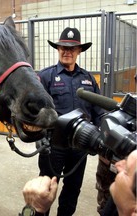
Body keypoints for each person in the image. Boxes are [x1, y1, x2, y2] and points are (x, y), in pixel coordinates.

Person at [36, 27, 105, 216]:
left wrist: (101, 136)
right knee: (45, 190)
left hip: (80, 147)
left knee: (72, 190)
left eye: (72, 49)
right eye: (63, 48)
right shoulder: (45, 76)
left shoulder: (89, 79)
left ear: (79, 51)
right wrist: (39, 137)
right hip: (53, 146)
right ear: (58, 49)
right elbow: (36, 112)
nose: (67, 52)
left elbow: (98, 112)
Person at [21, 150, 137, 216]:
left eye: (126, 170)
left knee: (72, 188)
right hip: (55, 145)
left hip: (77, 151)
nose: (117, 165)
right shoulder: (122, 208)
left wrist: (35, 209)